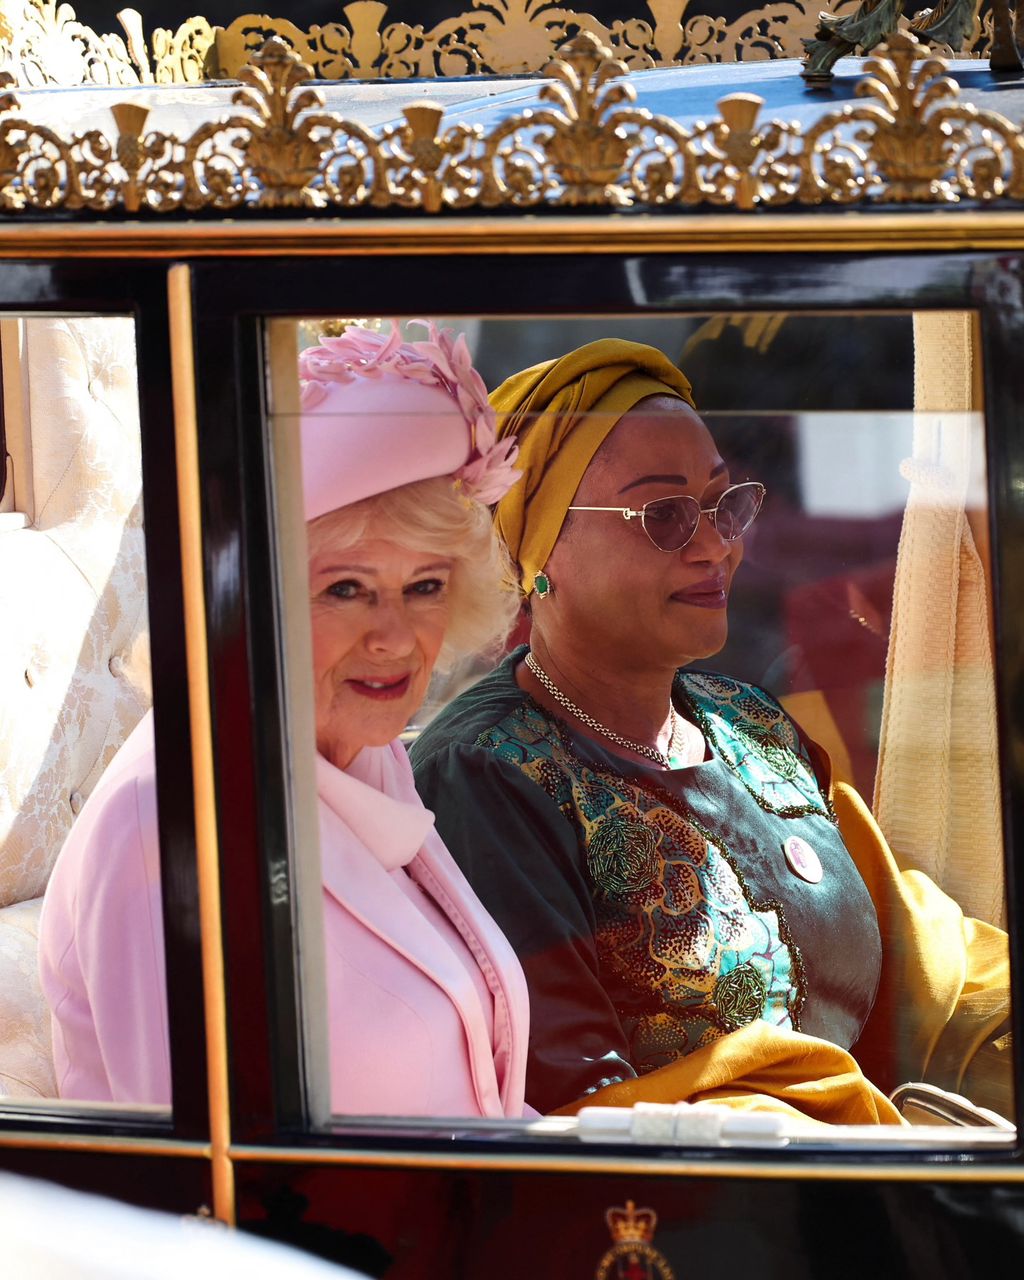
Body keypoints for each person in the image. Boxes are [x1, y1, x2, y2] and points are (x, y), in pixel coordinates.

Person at [410, 338, 1011, 1125]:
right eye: (663, 515)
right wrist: (864, 1141)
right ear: (537, 546)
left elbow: (924, 963)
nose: (715, 543)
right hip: (700, 1219)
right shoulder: (486, 773)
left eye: (727, 504)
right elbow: (574, 1102)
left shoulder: (748, 722)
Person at [39, 321, 531, 1119]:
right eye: (346, 588)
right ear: (252, 598)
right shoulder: (165, 820)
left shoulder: (362, 758)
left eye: (426, 586)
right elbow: (204, 1195)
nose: (395, 636)